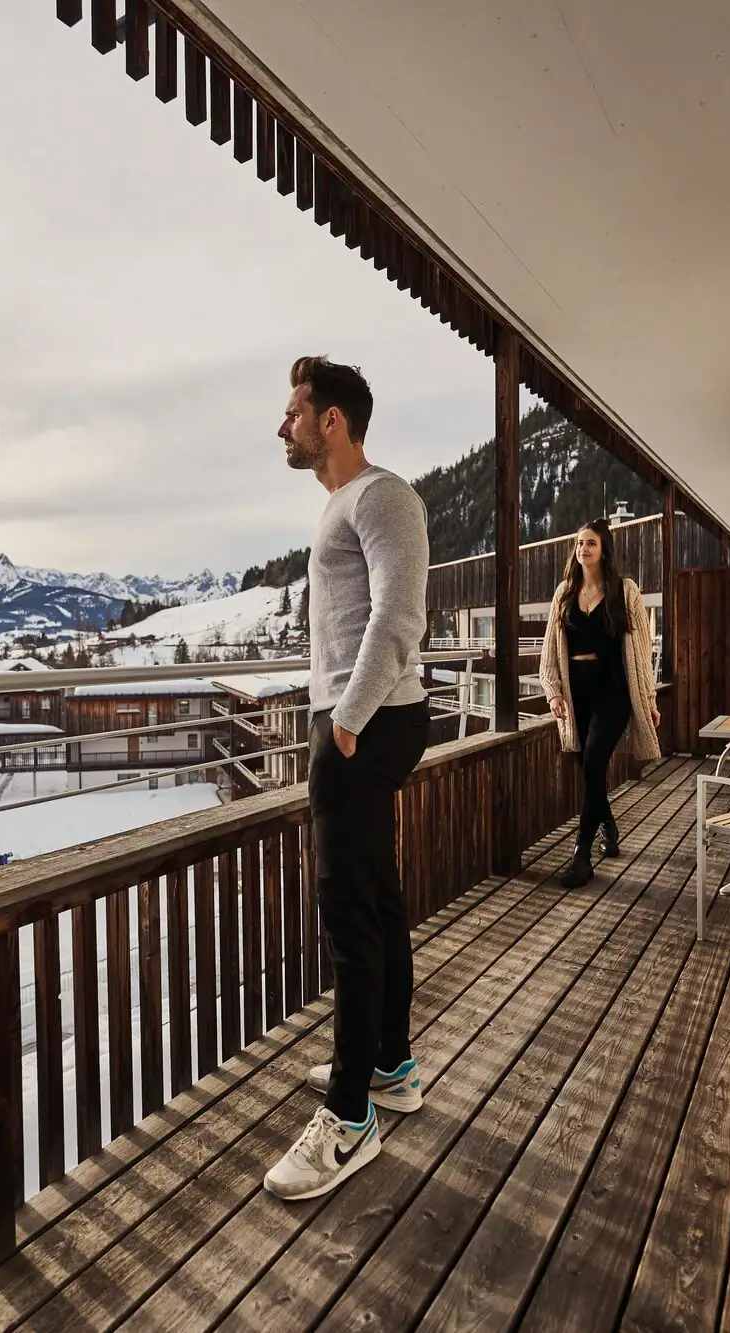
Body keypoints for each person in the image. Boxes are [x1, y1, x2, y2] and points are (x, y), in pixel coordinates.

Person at [263, 355, 431, 1202]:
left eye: (295, 412)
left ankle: (350, 1114)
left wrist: (347, 720)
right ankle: (389, 1063)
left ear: (333, 419)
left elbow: (400, 612)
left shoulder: (381, 496)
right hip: (364, 720)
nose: (283, 426)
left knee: (348, 915)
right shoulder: (341, 506)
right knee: (377, 896)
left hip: (366, 723)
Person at [538, 520, 661, 888]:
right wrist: (553, 691)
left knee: (592, 763)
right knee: (589, 771)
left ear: (604, 549)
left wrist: (649, 698)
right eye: (579, 543)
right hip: (576, 695)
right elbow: (549, 648)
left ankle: (582, 855)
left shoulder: (625, 591)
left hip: (614, 692)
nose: (583, 549)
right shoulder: (564, 592)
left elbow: (641, 652)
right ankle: (608, 824)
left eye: (590, 543)